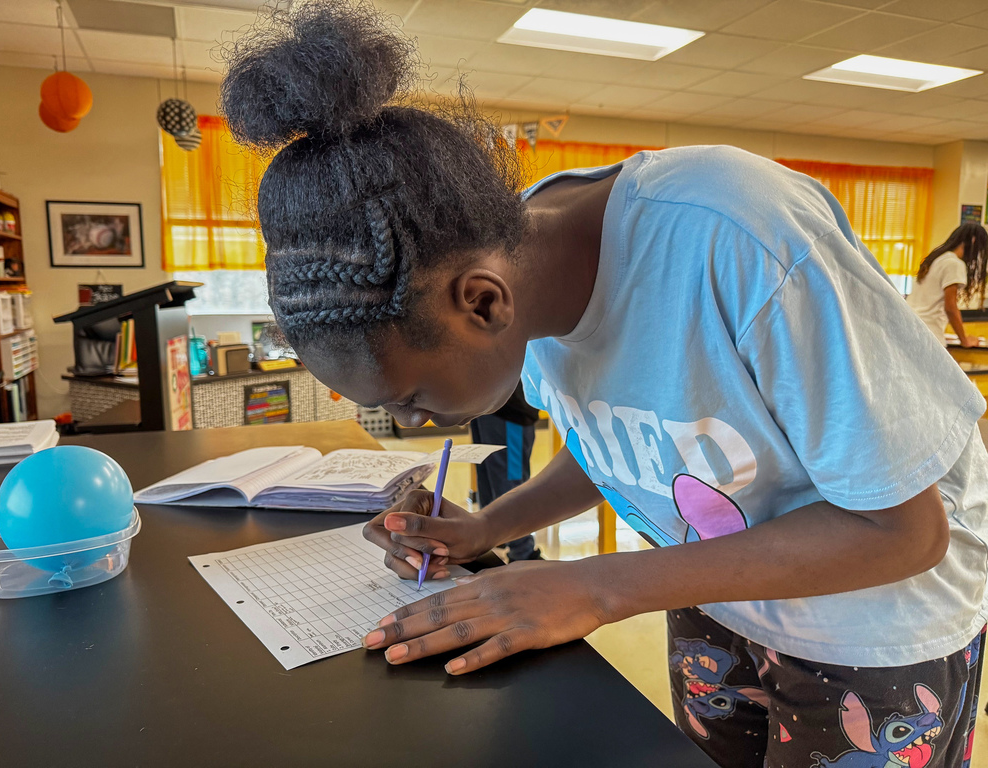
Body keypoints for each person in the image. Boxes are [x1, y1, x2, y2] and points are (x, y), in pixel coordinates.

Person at [221, 4, 988, 766]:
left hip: (874, 630)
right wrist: (489, 526)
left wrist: (599, 585)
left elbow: (905, 532)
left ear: (482, 302)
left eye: (409, 397)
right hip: (712, 591)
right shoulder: (512, 266)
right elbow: (623, 439)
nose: (410, 422)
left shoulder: (733, 236)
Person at [469, 383, 540, 562]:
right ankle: (519, 550)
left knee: (501, 478)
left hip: (499, 404)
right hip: (499, 405)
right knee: (504, 480)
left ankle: (503, 540)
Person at [906, 222, 988, 346]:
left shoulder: (936, 259)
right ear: (973, 241)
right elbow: (950, 307)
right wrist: (964, 340)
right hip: (927, 334)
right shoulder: (954, 263)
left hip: (910, 327)